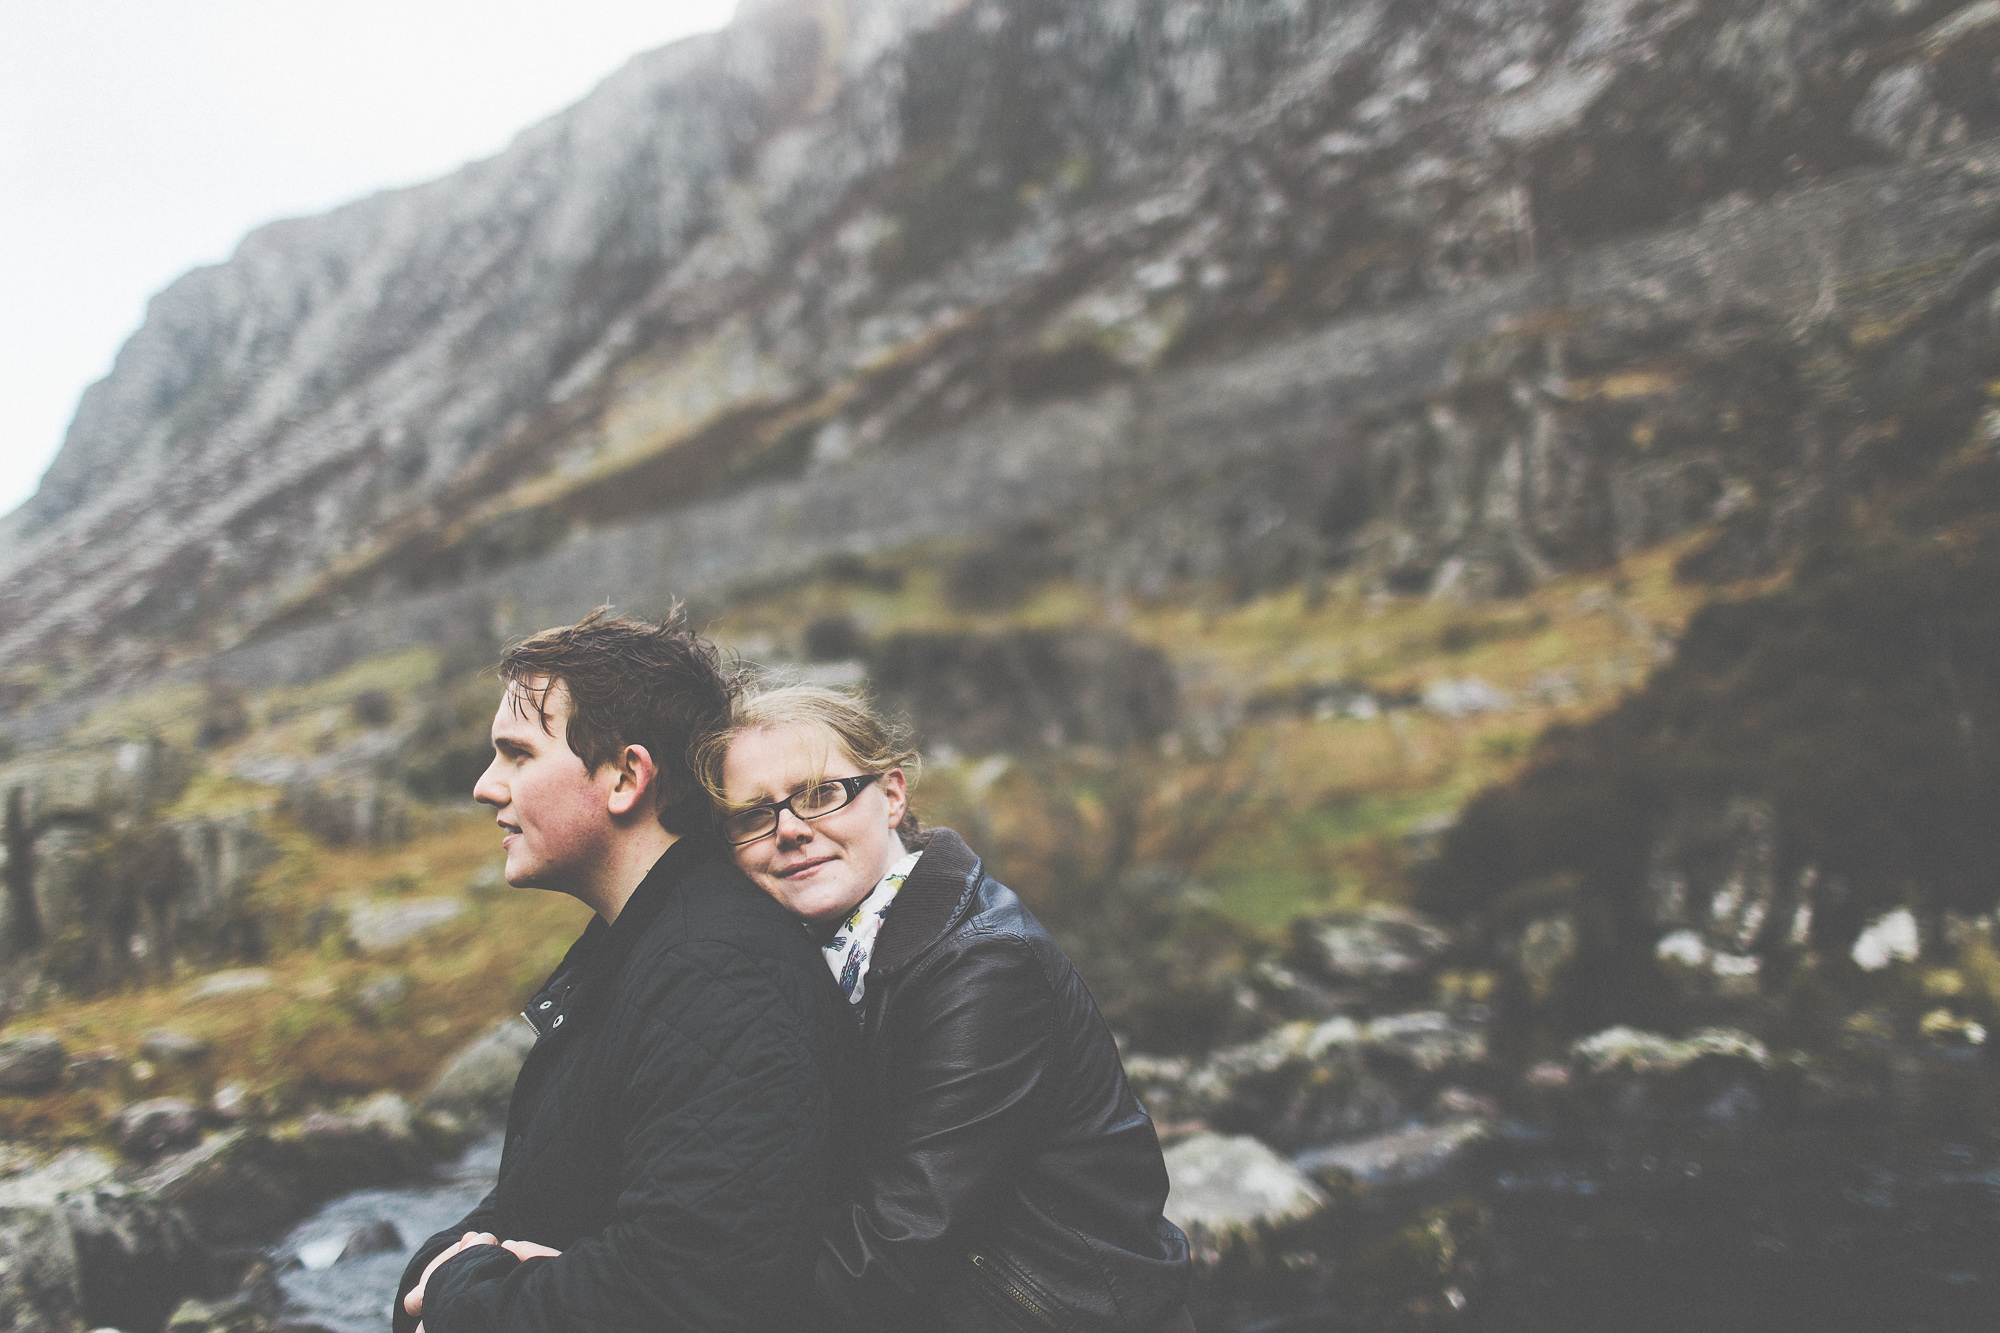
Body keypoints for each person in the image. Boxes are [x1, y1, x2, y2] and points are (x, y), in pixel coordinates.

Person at [392, 610, 859, 1333]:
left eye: (516, 754)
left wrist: (462, 1304)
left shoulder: (719, 975)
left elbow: (688, 1289)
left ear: (625, 776)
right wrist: (436, 1278)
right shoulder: (640, 945)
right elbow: (533, 1196)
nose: (487, 786)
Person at [697, 684, 1194, 1333]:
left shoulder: (983, 965)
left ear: (893, 793)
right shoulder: (815, 955)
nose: (790, 829)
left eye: (821, 793)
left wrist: (666, 1305)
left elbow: (906, 1232)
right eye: (753, 814)